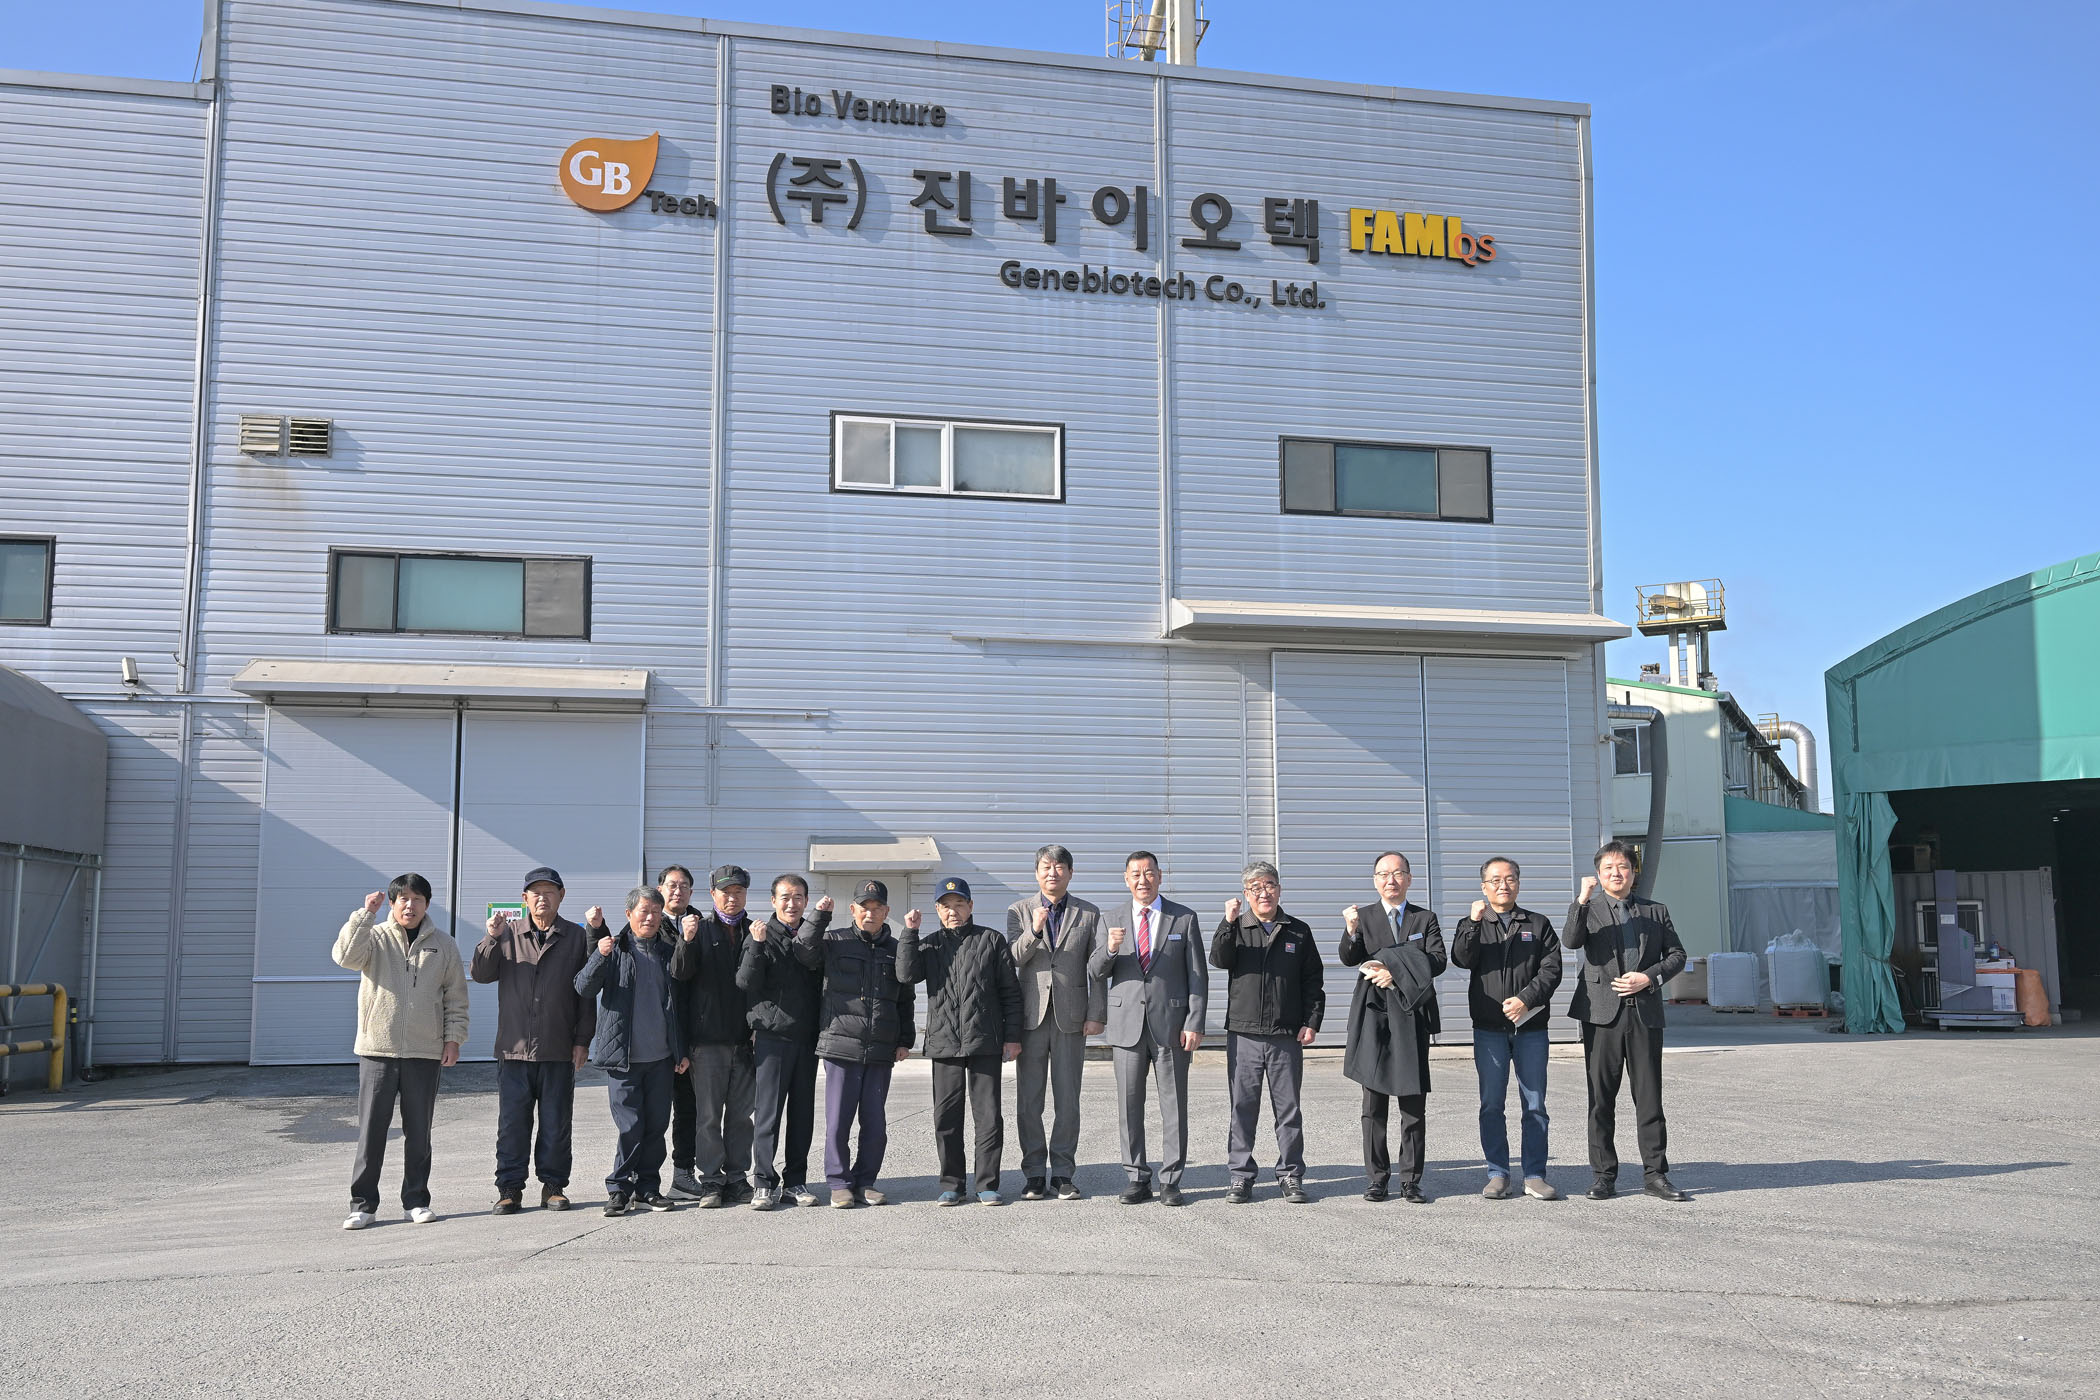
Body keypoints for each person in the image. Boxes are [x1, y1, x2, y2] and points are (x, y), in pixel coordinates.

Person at [333, 873, 468, 1230]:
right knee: (371, 1131)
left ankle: (416, 1201)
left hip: (425, 1051)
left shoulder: (444, 945)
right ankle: (362, 1205)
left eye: (417, 899)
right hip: (378, 1049)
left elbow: (455, 997)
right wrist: (365, 915)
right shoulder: (374, 936)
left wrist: (453, 1039)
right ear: (392, 904)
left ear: (427, 904)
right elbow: (345, 957)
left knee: (419, 1132)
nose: (410, 905)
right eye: (403, 899)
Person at [1564, 841, 1690, 1202]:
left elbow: (1677, 955)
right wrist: (1582, 900)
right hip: (1601, 1014)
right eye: (1608, 868)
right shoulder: (1588, 908)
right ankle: (1603, 1176)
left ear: (1634, 872)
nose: (1616, 873)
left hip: (1644, 1013)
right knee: (1600, 1099)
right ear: (1598, 874)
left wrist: (1648, 977)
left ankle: (1655, 1175)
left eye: (1622, 867)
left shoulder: (1655, 911)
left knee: (1649, 1098)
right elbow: (1571, 940)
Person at [471, 865, 595, 1215]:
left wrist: (582, 1040)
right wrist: (490, 937)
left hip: (558, 1047)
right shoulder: (506, 934)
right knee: (512, 1124)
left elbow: (586, 994)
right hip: (514, 1049)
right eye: (535, 892)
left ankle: (553, 1186)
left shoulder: (576, 937)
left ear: (561, 896)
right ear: (524, 898)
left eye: (549, 891)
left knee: (556, 1123)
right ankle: (509, 1189)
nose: (543, 898)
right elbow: (481, 974)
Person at [1087, 851, 1207, 1207]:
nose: (1143, 880)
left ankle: (1171, 1180)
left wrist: (1194, 1022)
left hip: (1171, 1025)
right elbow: (1095, 971)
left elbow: (1197, 975)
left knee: (1174, 1106)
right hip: (1126, 1026)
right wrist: (1110, 948)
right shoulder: (1110, 919)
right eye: (1136, 874)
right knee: (1129, 1105)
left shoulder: (1183, 918)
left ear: (1159, 876)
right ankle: (1136, 1176)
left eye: (1149, 873)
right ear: (1126, 879)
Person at [899, 877, 1023, 1206]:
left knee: (988, 1116)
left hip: (985, 1040)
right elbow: (906, 975)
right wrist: (910, 934)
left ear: (970, 906)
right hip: (944, 1041)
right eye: (945, 906)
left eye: (958, 905)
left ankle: (987, 1184)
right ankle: (952, 1184)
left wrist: (1012, 1037)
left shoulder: (991, 940)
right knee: (946, 1116)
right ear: (937, 910)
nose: (952, 911)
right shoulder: (929, 945)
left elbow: (1011, 993)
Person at [794, 880, 915, 1208]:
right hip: (840, 1045)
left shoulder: (896, 949)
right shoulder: (834, 941)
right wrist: (819, 917)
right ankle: (839, 1183)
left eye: (877, 908)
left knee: (875, 1122)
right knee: (838, 1121)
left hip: (880, 1047)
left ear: (887, 911)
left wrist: (905, 1040)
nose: (870, 914)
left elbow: (905, 997)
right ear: (852, 910)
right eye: (864, 907)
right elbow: (803, 951)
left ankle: (865, 1182)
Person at [1450, 857, 1563, 1202]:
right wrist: (1473, 924)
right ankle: (1498, 1172)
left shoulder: (1538, 924)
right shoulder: (1471, 924)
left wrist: (1526, 1000)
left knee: (1535, 1104)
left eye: (1510, 879)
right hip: (1489, 1030)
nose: (1503, 885)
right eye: (1496, 880)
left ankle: (1535, 1175)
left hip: (1531, 1028)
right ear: (1483, 886)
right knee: (1491, 1105)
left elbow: (1551, 969)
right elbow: (1461, 958)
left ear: (1518, 883)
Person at [1213, 861, 1324, 1205]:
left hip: (1285, 1035)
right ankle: (1240, 1176)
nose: (1264, 892)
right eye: (1256, 887)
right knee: (1242, 1108)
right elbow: (1219, 959)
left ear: (1279, 889)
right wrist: (1227, 922)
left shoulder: (1298, 931)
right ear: (1246, 894)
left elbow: (1313, 981)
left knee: (1288, 1110)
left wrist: (1311, 1021)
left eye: (1270, 885)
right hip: (1244, 1034)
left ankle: (1291, 1174)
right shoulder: (1237, 926)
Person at [576, 887, 689, 1217]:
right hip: (623, 1058)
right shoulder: (615, 949)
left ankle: (648, 1188)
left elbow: (678, 1008)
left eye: (656, 911)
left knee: (656, 1126)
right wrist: (599, 955)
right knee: (631, 1125)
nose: (650, 917)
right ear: (629, 914)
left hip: (661, 1058)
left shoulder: (668, 952)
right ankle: (619, 1188)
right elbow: (583, 987)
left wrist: (680, 1051)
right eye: (644, 911)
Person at [1339, 851, 1445, 1203]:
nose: (1391, 880)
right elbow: (1349, 958)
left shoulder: (1424, 918)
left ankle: (1411, 1179)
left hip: (1411, 1014)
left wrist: (1393, 971)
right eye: (1383, 874)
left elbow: (1437, 960)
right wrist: (1350, 930)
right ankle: (1377, 1179)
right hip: (1374, 1015)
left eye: (1398, 873)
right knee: (1373, 1105)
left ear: (1409, 879)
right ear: (1375, 880)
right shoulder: (1364, 917)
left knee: (1412, 1104)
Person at [1006, 844, 1107, 1201]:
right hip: (1030, 1019)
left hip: (1072, 1017)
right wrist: (1034, 930)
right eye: (1046, 867)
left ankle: (1063, 1172)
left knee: (1068, 1099)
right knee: (1029, 1100)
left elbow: (1097, 968)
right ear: (1037, 873)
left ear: (1070, 873)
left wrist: (1097, 1014)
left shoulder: (1089, 913)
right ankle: (1034, 1172)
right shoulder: (1018, 910)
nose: (1053, 873)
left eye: (1060, 867)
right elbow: (1013, 958)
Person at [738, 875, 833, 1209]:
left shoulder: (814, 935)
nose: (792, 904)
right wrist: (757, 944)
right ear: (773, 901)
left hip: (807, 1037)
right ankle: (763, 1182)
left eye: (798, 897)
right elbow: (746, 981)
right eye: (785, 897)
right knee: (768, 1114)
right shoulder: (760, 933)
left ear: (806, 901)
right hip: (772, 1038)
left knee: (802, 1114)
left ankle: (795, 1182)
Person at [670, 864, 756, 1207]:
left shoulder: (755, 931)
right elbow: (679, 974)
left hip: (745, 1042)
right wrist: (687, 940)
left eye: (738, 891)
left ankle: (737, 1177)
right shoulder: (698, 929)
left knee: (741, 1117)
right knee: (707, 1117)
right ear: (712, 894)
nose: (732, 898)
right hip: (706, 1043)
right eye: (725, 892)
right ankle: (711, 1181)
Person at [655, 864, 706, 1199]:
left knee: (689, 1109)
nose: (678, 891)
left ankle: (683, 1175)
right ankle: (641, 1178)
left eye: (684, 886)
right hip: (655, 1033)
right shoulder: (646, 923)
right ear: (660, 888)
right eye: (672, 885)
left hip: (691, 1032)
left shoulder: (702, 925)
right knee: (651, 1111)